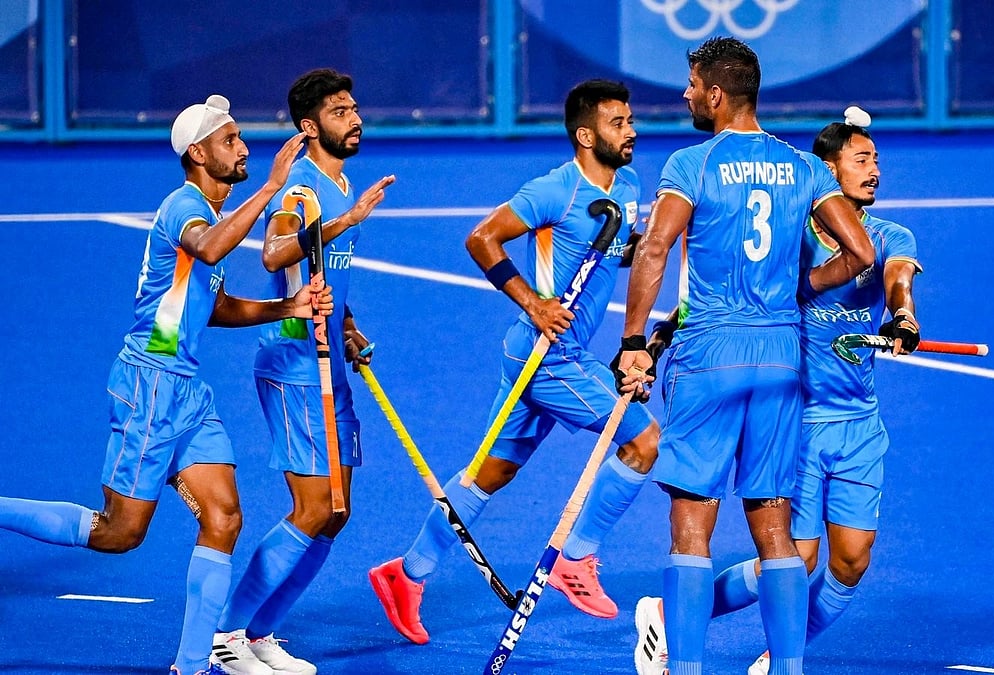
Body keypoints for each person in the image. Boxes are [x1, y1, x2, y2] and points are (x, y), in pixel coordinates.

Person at [0, 95, 331, 675]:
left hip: (186, 393)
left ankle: (195, 663)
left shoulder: (207, 211)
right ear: (199, 153)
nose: (244, 148)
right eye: (231, 141)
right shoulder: (185, 208)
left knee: (224, 517)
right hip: (149, 386)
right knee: (119, 533)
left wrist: (290, 306)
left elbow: (216, 305)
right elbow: (210, 246)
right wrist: (272, 187)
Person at [613, 38, 875, 675]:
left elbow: (652, 251)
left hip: (710, 358)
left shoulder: (692, 164)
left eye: (692, 84)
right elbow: (862, 253)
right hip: (781, 361)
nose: (686, 95)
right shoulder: (804, 168)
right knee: (776, 528)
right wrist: (803, 287)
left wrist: (632, 344)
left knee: (692, 526)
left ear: (717, 94)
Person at [367, 78, 659, 645]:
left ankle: (406, 574)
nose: (631, 131)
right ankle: (576, 559)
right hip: (547, 357)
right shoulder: (555, 190)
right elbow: (482, 239)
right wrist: (534, 302)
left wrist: (648, 243)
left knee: (490, 474)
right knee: (643, 442)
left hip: (541, 354)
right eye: (617, 123)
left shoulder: (628, 184)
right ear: (584, 134)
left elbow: (611, 254)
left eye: (629, 120)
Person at [210, 69, 395, 675]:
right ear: (311, 127)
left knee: (337, 512)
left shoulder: (340, 184)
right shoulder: (303, 192)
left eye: (355, 106)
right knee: (313, 507)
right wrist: (345, 222)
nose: (356, 117)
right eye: (341, 111)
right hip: (293, 365)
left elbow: (321, 278)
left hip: (327, 361)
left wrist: (345, 323)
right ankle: (225, 635)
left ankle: (260, 634)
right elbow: (275, 254)